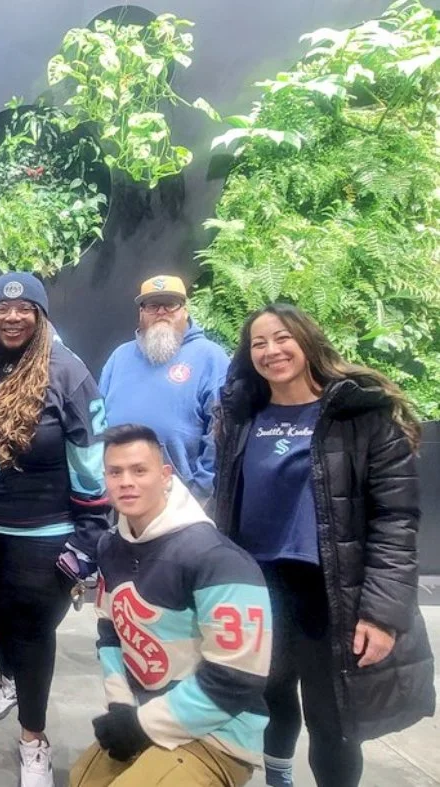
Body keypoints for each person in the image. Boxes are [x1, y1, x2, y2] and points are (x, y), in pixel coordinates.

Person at [213, 303, 435, 787]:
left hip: (331, 593)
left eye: (282, 338)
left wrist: (382, 614)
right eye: (258, 343)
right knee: (268, 701)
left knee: (332, 722)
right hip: (259, 590)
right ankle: (278, 779)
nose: (271, 351)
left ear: (307, 342)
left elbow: (396, 522)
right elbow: (226, 501)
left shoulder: (361, 415)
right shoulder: (241, 414)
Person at [0, 272, 110, 787]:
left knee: (33, 633)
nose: (12, 318)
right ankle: (9, 680)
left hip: (42, 535)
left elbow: (91, 459)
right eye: (1, 310)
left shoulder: (69, 373)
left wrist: (89, 536)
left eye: (25, 309)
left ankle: (33, 740)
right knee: (2, 622)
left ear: (40, 316)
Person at [69, 424, 270, 787]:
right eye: (115, 472)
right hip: (146, 713)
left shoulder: (219, 560)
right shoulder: (110, 547)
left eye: (139, 470)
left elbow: (238, 678)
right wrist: (120, 706)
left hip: (219, 735)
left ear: (165, 476)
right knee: (81, 780)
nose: (126, 481)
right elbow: (110, 631)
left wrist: (143, 726)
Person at [99, 275, 229, 503]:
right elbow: (97, 421)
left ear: (185, 311)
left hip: (181, 500)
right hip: (121, 496)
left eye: (170, 304)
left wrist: (198, 493)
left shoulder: (210, 356)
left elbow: (219, 433)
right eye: (152, 305)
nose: (161, 312)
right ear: (141, 312)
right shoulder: (119, 357)